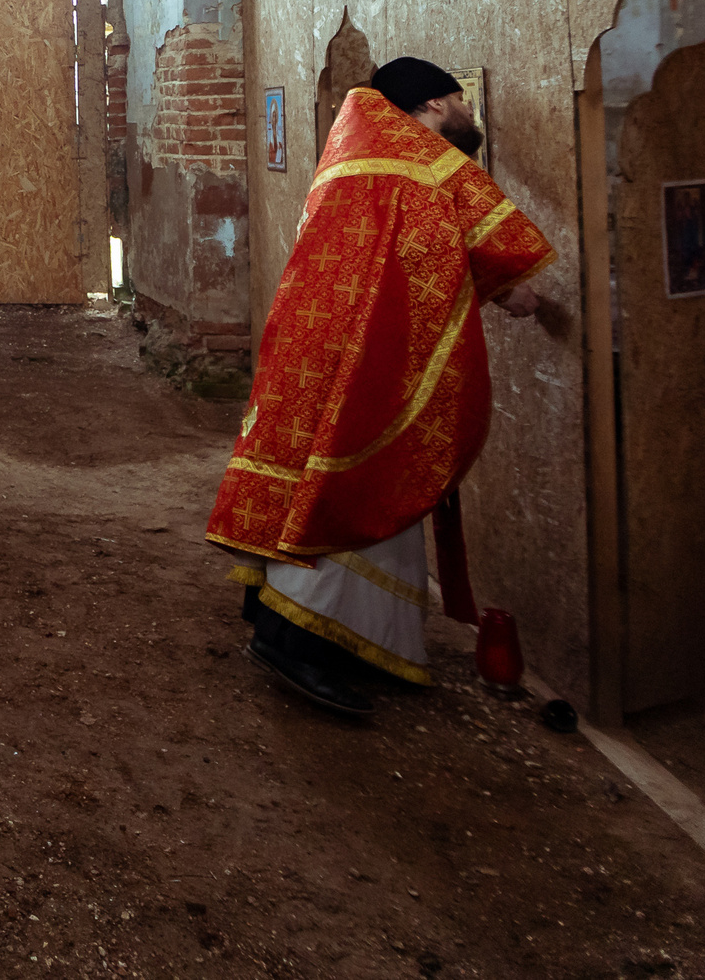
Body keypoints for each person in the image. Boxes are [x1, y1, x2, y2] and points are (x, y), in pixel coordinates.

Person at [206, 56, 553, 718]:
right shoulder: (414, 162)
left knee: (315, 475)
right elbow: (465, 244)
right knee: (354, 487)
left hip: (317, 343)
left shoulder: (357, 154)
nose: (468, 113)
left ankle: (348, 637)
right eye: (459, 100)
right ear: (430, 105)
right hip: (362, 360)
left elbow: (413, 256)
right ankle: (292, 640)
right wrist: (511, 288)